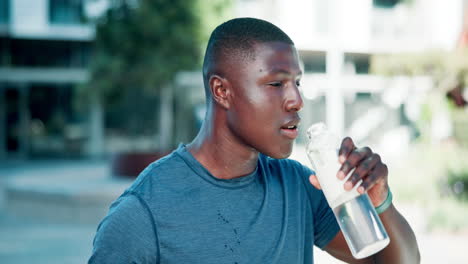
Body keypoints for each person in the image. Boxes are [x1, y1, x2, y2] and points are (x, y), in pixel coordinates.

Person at [89, 17, 420, 263]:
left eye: (297, 83)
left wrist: (380, 202)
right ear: (222, 91)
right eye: (277, 84)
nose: (296, 100)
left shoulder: (299, 185)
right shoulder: (143, 213)